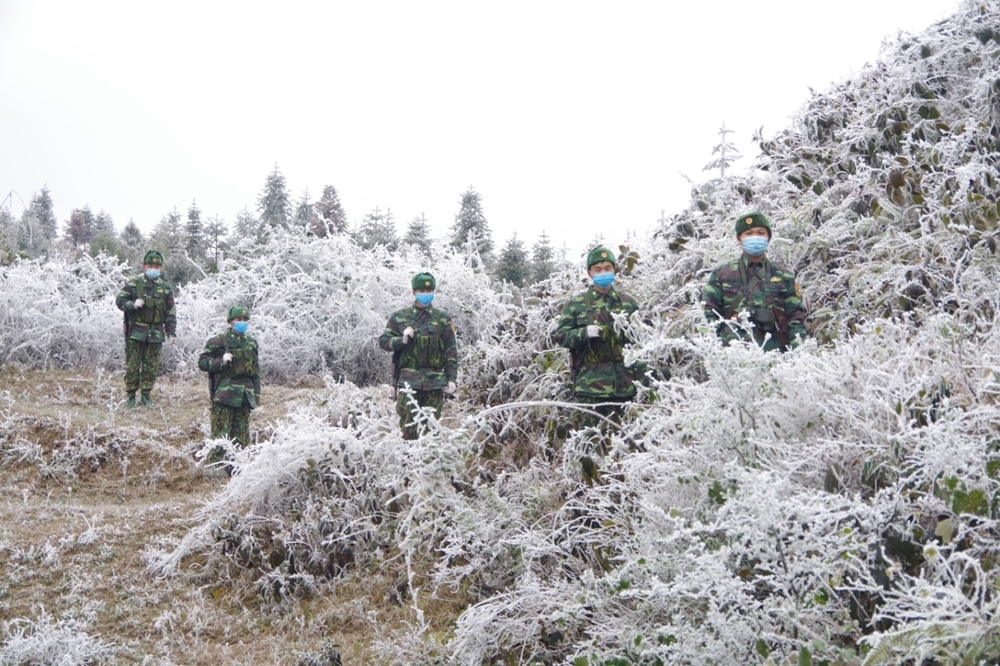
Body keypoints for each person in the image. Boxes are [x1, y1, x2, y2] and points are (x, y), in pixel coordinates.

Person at [554, 245, 645, 424]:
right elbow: (561, 337)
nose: (603, 272)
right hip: (590, 387)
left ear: (614, 270)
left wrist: (644, 382)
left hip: (625, 386)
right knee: (590, 441)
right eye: (598, 269)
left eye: (607, 268)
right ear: (590, 273)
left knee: (626, 442)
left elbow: (640, 343)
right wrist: (583, 333)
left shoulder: (628, 304)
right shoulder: (576, 304)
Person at [702, 211, 808, 351]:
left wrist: (798, 352)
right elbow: (708, 314)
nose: (755, 237)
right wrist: (714, 350)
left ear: (768, 238)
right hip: (733, 355)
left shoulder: (784, 275)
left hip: (777, 356)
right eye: (749, 233)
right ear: (739, 239)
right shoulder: (722, 274)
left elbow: (795, 318)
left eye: (760, 233)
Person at [378, 272, 458, 440]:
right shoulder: (400, 317)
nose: (425, 294)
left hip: (435, 383)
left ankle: (428, 463)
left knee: (431, 430)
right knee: (408, 429)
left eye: (428, 291)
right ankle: (407, 463)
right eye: (421, 290)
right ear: (414, 292)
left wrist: (452, 378)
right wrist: (402, 339)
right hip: (408, 382)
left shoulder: (443, 318)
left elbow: (450, 350)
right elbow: (383, 342)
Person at [198, 305, 261, 467]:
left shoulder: (251, 343)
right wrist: (221, 361)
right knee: (221, 434)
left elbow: (255, 372)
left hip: (245, 396)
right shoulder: (218, 341)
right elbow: (203, 363)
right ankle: (214, 466)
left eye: (245, 320)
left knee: (242, 436)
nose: (243, 323)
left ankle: (238, 467)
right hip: (225, 395)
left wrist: (256, 397)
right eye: (239, 320)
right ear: (230, 322)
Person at [115, 249, 176, 408]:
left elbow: (170, 311)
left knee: (151, 366)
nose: (153, 268)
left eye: (156, 266)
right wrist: (132, 305)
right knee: (133, 365)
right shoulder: (134, 283)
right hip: (135, 332)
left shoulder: (165, 288)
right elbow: (120, 301)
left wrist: (171, 332)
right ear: (144, 266)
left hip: (156, 333)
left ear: (161, 268)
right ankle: (131, 396)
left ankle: (146, 396)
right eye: (150, 265)